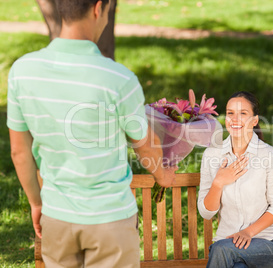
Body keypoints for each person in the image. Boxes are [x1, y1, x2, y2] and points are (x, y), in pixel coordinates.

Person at [7, 0, 176, 267]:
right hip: (111, 219)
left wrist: (36, 204)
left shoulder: (21, 72)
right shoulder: (119, 79)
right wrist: (163, 175)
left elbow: (19, 151)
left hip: (57, 216)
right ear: (98, 8)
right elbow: (144, 146)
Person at [197, 91, 273, 268]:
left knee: (222, 250)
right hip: (227, 241)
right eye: (230, 113)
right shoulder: (212, 155)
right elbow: (206, 213)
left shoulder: (269, 156)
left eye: (243, 113)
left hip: (266, 243)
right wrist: (218, 183)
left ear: (254, 121)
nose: (235, 119)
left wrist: (248, 232)